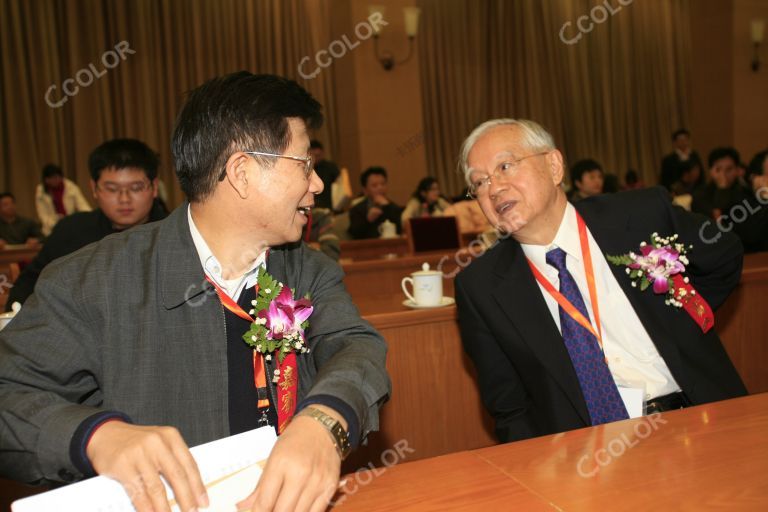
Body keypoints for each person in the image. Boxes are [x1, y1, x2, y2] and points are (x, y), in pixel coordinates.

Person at [0, 72, 390, 512]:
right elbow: (7, 390)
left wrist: (323, 421)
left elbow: (355, 348)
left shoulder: (304, 269)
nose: (317, 184)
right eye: (305, 164)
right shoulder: (95, 281)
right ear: (242, 172)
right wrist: (95, 436)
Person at [454, 118, 746, 444]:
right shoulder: (480, 288)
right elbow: (509, 408)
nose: (493, 189)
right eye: (479, 183)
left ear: (553, 166)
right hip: (590, 457)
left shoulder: (640, 214)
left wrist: (681, 316)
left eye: (505, 166)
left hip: (698, 416)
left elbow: (725, 255)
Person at [6, 139, 168, 310]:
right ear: (94, 188)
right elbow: (29, 284)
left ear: (154, 187)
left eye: (135, 188)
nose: (124, 199)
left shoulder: (175, 234)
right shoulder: (70, 231)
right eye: (112, 189)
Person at [691, 147, 751, 219]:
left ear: (737, 170)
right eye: (718, 169)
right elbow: (715, 219)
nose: (723, 174)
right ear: (711, 171)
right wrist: (722, 188)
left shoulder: (745, 192)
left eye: (729, 169)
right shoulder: (700, 194)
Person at [35, 164, 92, 235]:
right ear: (46, 180)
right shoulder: (41, 191)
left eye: (57, 177)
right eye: (52, 178)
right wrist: (56, 222)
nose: (56, 180)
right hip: (51, 229)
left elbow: (82, 205)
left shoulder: (70, 186)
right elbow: (43, 215)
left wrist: (89, 218)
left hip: (70, 225)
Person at [347, 166, 403, 239]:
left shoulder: (393, 207)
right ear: (365, 190)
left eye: (383, 184)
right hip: (366, 247)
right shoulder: (357, 209)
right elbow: (354, 234)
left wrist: (387, 207)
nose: (380, 188)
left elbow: (400, 229)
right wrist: (368, 220)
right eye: (374, 185)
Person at [309, 140, 340, 211]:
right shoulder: (306, 168)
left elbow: (339, 187)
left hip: (330, 205)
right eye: (314, 155)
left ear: (322, 153)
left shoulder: (331, 167)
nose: (316, 158)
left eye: (318, 155)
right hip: (313, 207)